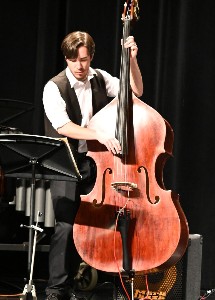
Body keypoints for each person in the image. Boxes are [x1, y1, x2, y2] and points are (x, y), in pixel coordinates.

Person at [42, 31, 143, 300]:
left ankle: (85, 284)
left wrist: (131, 60)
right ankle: (56, 291)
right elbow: (63, 126)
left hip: (96, 163)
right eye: (74, 60)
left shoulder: (99, 77)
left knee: (93, 223)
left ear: (91, 57)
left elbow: (135, 91)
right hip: (65, 162)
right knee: (65, 226)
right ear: (66, 58)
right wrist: (99, 134)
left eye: (84, 60)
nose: (79, 66)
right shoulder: (54, 87)